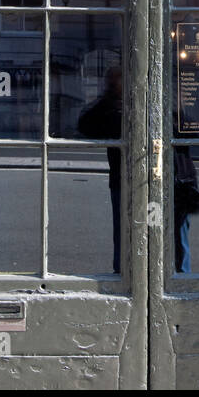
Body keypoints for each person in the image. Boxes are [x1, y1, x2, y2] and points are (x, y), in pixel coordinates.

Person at [77, 66, 123, 274]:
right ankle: (122, 271)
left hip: (148, 175)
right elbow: (84, 124)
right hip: (121, 176)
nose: (114, 85)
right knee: (122, 229)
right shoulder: (108, 105)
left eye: (116, 81)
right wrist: (108, 101)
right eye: (111, 82)